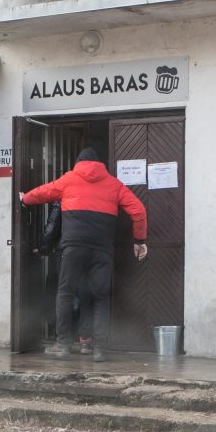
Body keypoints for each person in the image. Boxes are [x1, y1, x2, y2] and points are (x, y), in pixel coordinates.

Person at [20, 148, 147, 362]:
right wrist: (139, 241)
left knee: (65, 294)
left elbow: (44, 192)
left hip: (73, 248)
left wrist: (25, 200)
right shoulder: (114, 184)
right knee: (100, 298)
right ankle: (99, 349)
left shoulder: (69, 179)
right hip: (102, 250)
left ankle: (62, 345)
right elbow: (139, 210)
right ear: (100, 164)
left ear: (78, 162)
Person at [34, 202, 93, 353]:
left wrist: (43, 248)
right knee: (85, 294)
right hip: (90, 251)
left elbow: (52, 226)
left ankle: (62, 341)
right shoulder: (93, 194)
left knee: (63, 295)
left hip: (65, 252)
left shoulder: (64, 194)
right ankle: (85, 341)